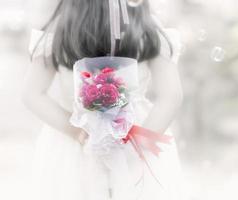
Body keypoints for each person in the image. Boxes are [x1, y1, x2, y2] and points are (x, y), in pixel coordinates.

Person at [22, 0, 185, 199]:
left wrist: (79, 132)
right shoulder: (148, 27)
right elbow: (171, 95)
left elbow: (32, 94)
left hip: (78, 141)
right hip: (130, 133)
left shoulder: (60, 29)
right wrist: (138, 143)